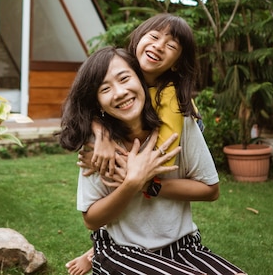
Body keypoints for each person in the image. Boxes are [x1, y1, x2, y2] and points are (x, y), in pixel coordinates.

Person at [58, 47, 245, 275]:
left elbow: (210, 190)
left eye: (125, 78)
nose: (119, 92)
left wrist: (148, 183)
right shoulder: (100, 148)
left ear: (141, 79)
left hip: (183, 247)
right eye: (105, 89)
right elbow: (91, 219)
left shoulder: (180, 125)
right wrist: (131, 184)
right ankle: (94, 254)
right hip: (121, 251)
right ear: (97, 102)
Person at [67, 13, 205, 274]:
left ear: (176, 63)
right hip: (126, 230)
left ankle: (99, 250)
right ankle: (101, 249)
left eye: (171, 45)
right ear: (137, 41)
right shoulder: (122, 73)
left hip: (173, 143)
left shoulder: (170, 99)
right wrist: (102, 135)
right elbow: (87, 103)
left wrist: (138, 178)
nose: (159, 45)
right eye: (153, 36)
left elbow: (164, 161)